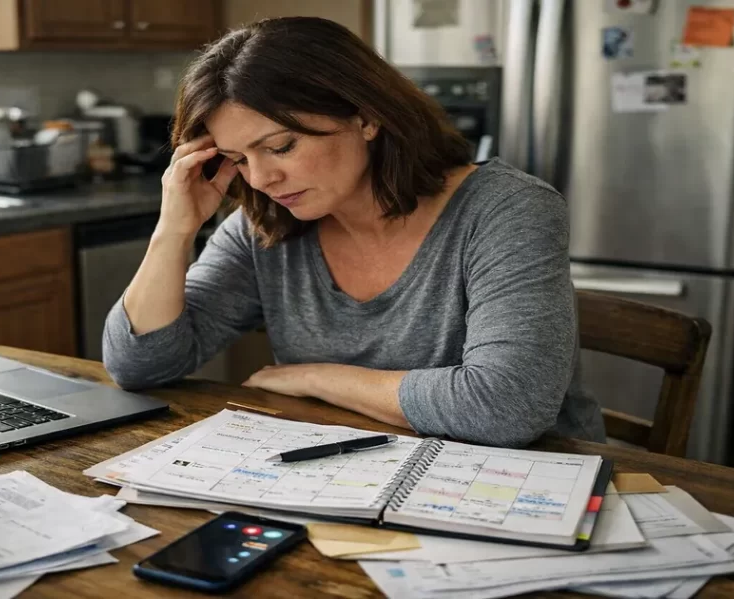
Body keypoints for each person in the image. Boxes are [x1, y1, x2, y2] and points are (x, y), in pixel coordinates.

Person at [102, 17, 606, 447]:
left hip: (524, 496)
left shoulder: (507, 209)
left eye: (280, 147)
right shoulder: (266, 226)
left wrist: (316, 377)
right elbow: (140, 366)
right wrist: (174, 229)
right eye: (237, 159)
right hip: (346, 481)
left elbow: (506, 406)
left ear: (365, 116)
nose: (260, 179)